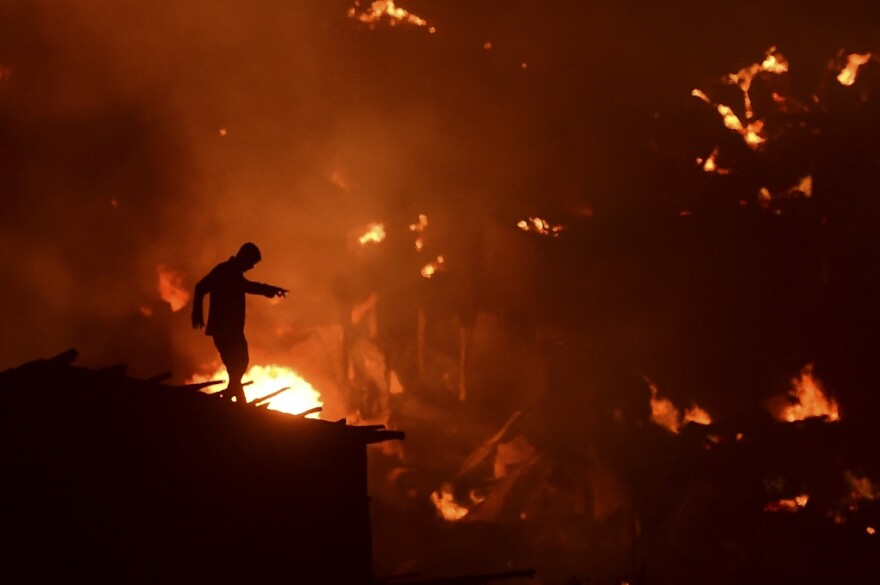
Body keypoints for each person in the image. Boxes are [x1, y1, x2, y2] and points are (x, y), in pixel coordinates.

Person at [191, 242, 288, 404]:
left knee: (239, 362)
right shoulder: (224, 271)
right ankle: (235, 396)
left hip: (233, 328)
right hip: (223, 328)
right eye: (251, 263)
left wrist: (269, 289)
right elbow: (201, 287)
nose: (251, 267)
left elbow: (246, 286)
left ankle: (234, 393)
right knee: (236, 362)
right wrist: (197, 311)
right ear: (244, 257)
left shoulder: (233, 273)